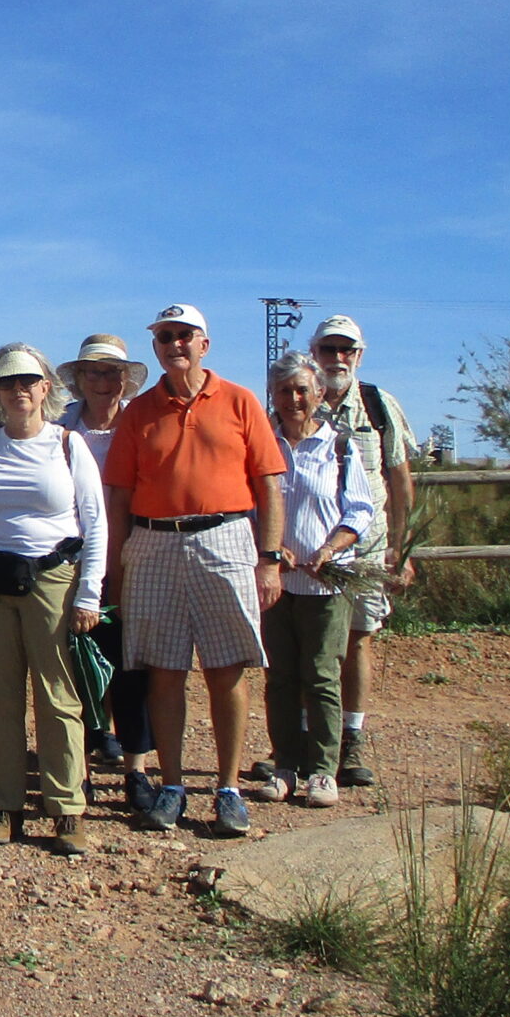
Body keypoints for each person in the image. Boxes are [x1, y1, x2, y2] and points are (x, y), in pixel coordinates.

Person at [99, 304, 288, 838]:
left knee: (227, 668)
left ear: (204, 343)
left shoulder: (240, 401)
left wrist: (269, 559)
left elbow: (269, 486)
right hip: (153, 542)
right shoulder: (139, 412)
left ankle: (227, 789)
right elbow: (119, 497)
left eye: (184, 335)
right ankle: (173, 784)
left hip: (225, 537)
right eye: (165, 337)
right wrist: (115, 569)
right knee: (163, 671)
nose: (174, 344)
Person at [0, 345, 106, 854]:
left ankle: (67, 810)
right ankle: (4, 806)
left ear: (45, 388)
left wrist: (89, 593)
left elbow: (95, 522)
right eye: (8, 382)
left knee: (58, 697)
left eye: (28, 381)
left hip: (53, 582)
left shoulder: (69, 446)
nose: (19, 390)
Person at [255, 352, 375, 808]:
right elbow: (249, 505)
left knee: (322, 675)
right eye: (284, 390)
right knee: (281, 677)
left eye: (302, 390)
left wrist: (331, 549)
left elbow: (359, 510)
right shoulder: (262, 444)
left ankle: (323, 771)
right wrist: (270, 549)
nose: (293, 399)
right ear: (273, 395)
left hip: (326, 585)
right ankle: (286, 764)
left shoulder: (338, 448)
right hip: (278, 584)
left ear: (319, 393)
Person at [308, 315, 416, 790]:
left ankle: (351, 741)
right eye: (328, 349)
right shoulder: (297, 401)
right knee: (309, 646)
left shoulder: (379, 405)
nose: (337, 358)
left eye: (346, 349)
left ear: (359, 354)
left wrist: (402, 550)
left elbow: (400, 480)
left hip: (367, 551)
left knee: (357, 642)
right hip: (310, 552)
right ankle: (303, 741)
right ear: (314, 353)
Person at [59, 332, 157, 814]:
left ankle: (136, 770)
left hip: (134, 559)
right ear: (79, 378)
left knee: (131, 665)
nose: (103, 381)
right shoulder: (58, 430)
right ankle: (79, 768)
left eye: (112, 372)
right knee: (76, 665)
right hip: (70, 563)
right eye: (94, 371)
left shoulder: (141, 426)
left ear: (125, 379)